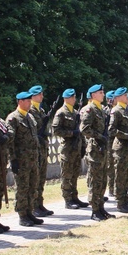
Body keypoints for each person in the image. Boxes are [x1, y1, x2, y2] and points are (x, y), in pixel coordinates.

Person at [6, 92, 43, 227]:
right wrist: (13, 160)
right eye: (27, 101)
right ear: (20, 102)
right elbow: (10, 141)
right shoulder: (13, 118)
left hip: (32, 159)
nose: (30, 103)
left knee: (33, 187)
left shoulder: (30, 117)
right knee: (22, 188)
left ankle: (30, 212)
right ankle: (22, 215)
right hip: (21, 161)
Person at [80, 84, 115, 221]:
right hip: (95, 149)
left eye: (103, 92)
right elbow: (84, 129)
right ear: (93, 95)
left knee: (102, 179)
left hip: (102, 149)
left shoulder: (100, 109)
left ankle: (101, 207)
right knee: (95, 180)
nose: (103, 94)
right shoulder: (90, 109)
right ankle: (95, 210)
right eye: (100, 92)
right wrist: (99, 137)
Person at [52, 89, 89, 209]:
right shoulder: (61, 112)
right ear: (66, 98)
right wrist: (71, 133)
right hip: (67, 149)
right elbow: (56, 130)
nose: (75, 99)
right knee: (67, 175)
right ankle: (68, 200)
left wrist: (83, 145)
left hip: (76, 149)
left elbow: (80, 132)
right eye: (73, 97)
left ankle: (75, 197)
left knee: (75, 174)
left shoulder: (75, 112)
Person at [108, 87, 128, 213]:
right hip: (121, 148)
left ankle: (126, 201)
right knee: (120, 175)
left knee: (127, 175)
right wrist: (126, 135)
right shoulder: (116, 111)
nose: (127, 97)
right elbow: (111, 130)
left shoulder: (126, 110)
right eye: (125, 95)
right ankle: (121, 203)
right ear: (119, 97)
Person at [28, 85, 54, 218]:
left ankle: (39, 204)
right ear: (32, 96)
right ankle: (33, 206)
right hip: (34, 149)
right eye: (39, 94)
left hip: (42, 149)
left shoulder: (41, 110)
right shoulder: (30, 111)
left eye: (42, 94)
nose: (41, 96)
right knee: (35, 179)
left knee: (41, 178)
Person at [105, 89, 116, 198]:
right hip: (108, 142)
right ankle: (111, 188)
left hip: (116, 141)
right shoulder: (105, 111)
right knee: (110, 166)